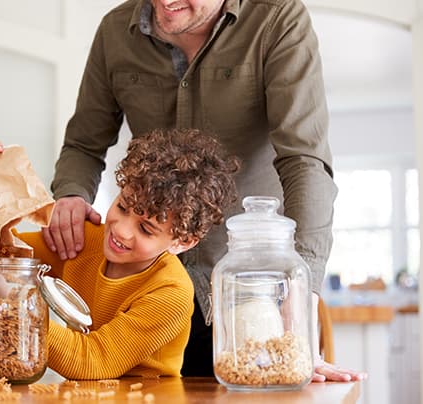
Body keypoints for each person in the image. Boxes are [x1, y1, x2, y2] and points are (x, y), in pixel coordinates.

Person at [41, 0, 366, 382]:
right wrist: (72, 195)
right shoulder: (115, 31)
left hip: (249, 292)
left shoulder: (277, 19)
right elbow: (83, 145)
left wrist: (298, 297)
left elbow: (304, 161)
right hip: (152, 288)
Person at [0, 128, 240, 379]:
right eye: (122, 207)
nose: (121, 230)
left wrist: (15, 303)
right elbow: (8, 253)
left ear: (183, 242)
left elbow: (92, 360)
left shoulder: (171, 292)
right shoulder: (86, 240)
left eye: (146, 229)